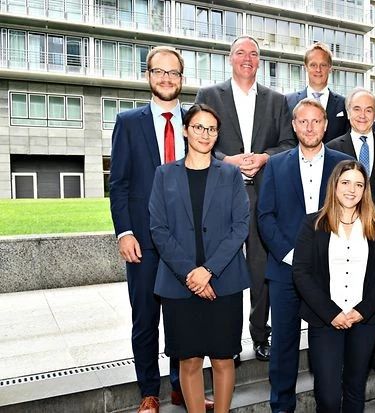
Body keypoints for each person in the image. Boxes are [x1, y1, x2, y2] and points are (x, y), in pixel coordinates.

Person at [109, 46, 213, 412]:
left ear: (182, 78)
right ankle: (149, 392)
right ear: (148, 75)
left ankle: (182, 387)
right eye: (159, 71)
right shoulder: (128, 122)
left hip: (187, 244)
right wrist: (124, 232)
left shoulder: (196, 122)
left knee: (184, 320)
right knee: (146, 319)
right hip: (143, 241)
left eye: (173, 72)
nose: (166, 78)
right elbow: (118, 184)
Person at [195, 35, 296, 363]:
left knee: (260, 270)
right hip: (222, 194)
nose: (247, 58)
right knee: (221, 268)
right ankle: (226, 342)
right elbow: (198, 138)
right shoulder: (209, 95)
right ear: (230, 58)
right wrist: (227, 160)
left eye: (253, 53)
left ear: (259, 60)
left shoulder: (277, 100)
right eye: (240, 52)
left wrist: (264, 158)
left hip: (263, 195)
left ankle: (260, 335)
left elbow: (288, 144)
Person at [148, 104, 250, 413]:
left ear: (217, 134)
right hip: (179, 285)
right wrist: (191, 274)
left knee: (222, 358)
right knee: (189, 360)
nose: (205, 134)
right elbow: (159, 229)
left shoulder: (230, 174)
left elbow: (240, 226)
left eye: (211, 129)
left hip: (224, 282)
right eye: (198, 127)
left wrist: (208, 270)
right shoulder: (164, 174)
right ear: (185, 130)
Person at [257, 98, 353, 413]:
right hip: (284, 270)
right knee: (283, 345)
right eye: (303, 121)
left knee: (327, 347)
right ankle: (281, 407)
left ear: (326, 125)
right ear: (294, 125)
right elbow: (265, 216)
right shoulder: (275, 165)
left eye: (316, 121)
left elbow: (354, 212)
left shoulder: (344, 163)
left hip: (331, 272)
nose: (309, 128)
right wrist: (290, 255)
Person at [292, 160, 375, 412]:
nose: (352, 189)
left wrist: (362, 311)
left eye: (359, 185)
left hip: (364, 320)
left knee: (355, 388)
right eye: (346, 182)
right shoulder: (313, 223)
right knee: (327, 395)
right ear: (334, 185)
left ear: (365, 190)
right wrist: (331, 313)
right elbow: (301, 272)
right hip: (325, 320)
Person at [326, 87, 375, 378]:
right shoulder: (333, 147)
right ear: (348, 112)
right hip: (343, 229)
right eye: (357, 109)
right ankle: (343, 351)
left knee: (373, 290)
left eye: (369, 110)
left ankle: (373, 354)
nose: (363, 115)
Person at [286, 42, 350, 142]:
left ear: (330, 68)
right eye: (313, 65)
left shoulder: (344, 104)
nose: (318, 69)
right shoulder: (288, 102)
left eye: (323, 65)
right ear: (306, 67)